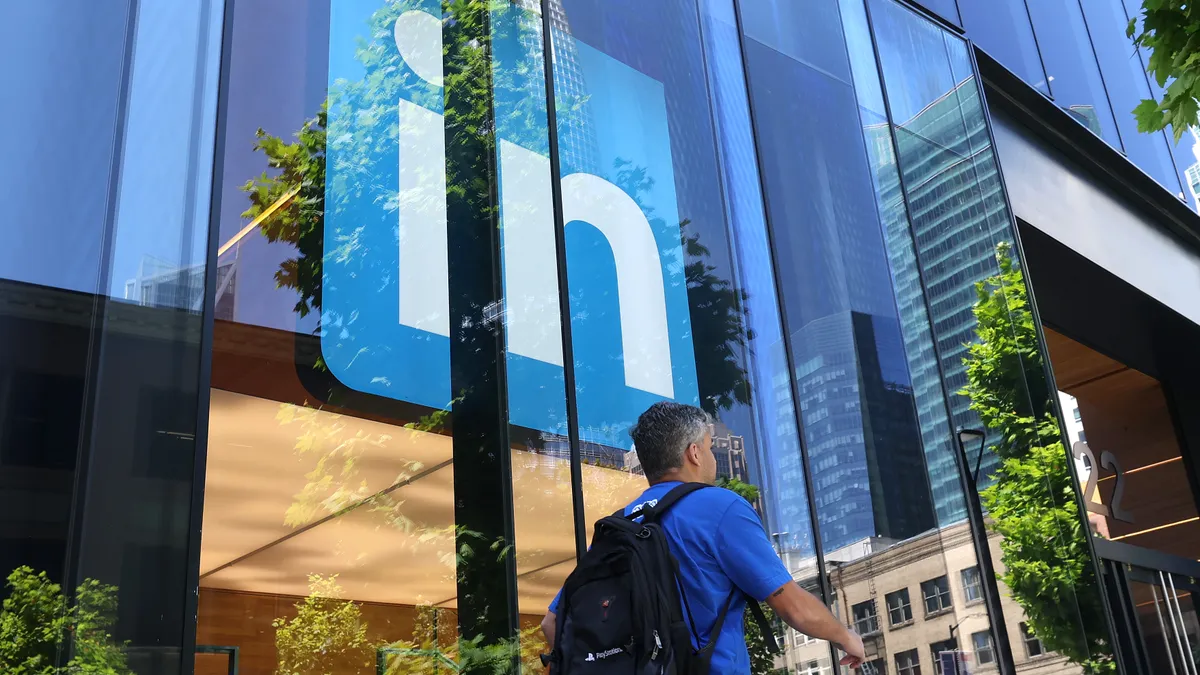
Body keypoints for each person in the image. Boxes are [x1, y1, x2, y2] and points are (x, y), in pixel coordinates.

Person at [541, 402, 866, 673]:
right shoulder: (719, 508)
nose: (712, 458)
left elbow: (551, 624)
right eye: (710, 449)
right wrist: (845, 635)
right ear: (694, 453)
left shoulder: (619, 526)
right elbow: (794, 608)